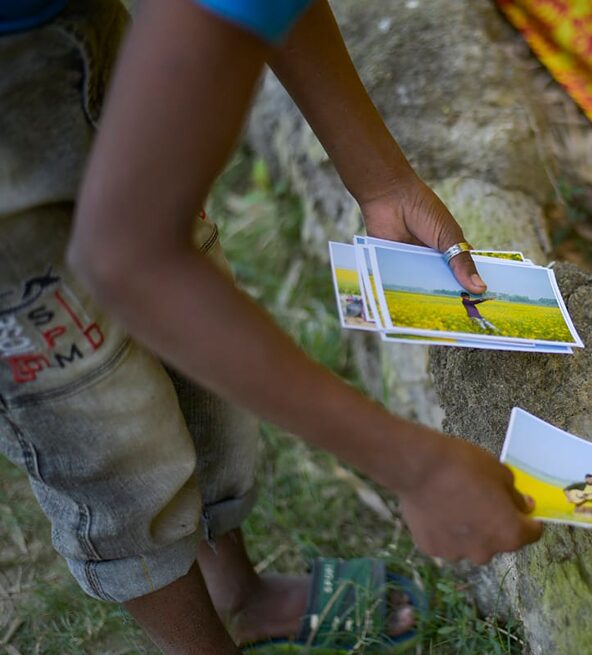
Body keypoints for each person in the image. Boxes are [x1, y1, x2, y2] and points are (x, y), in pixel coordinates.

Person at [0, 1, 542, 653]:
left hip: (83, 29)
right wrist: (415, 468)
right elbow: (128, 260)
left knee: (204, 374)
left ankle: (241, 596)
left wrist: (380, 179)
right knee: (101, 429)